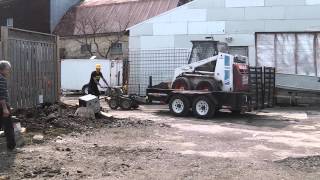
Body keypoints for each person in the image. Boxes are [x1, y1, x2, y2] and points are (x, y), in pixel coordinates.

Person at [0, 60, 15, 150]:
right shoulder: (1, 78)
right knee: (8, 126)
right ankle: (11, 147)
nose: (9, 71)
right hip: (2, 106)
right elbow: (1, 94)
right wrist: (5, 108)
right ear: (2, 69)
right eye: (7, 69)